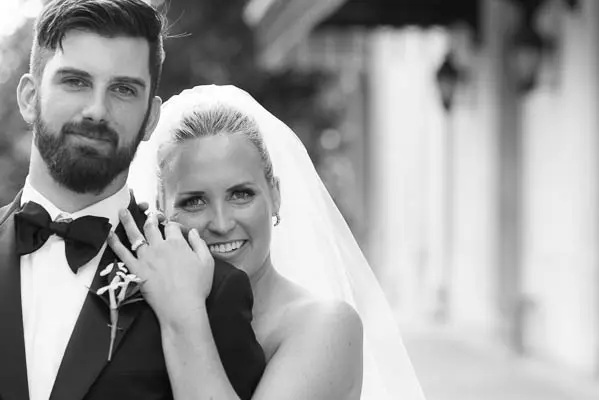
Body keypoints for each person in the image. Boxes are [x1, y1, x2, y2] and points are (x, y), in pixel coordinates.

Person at [0, 2, 265, 400]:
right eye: (75, 81)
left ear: (150, 119)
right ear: (29, 97)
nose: (96, 110)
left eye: (123, 90)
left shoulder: (211, 290)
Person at [122, 85, 427, 399]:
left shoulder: (326, 326)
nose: (223, 224)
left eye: (241, 195)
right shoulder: (136, 317)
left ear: (275, 196)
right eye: (194, 201)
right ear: (161, 209)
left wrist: (183, 318)